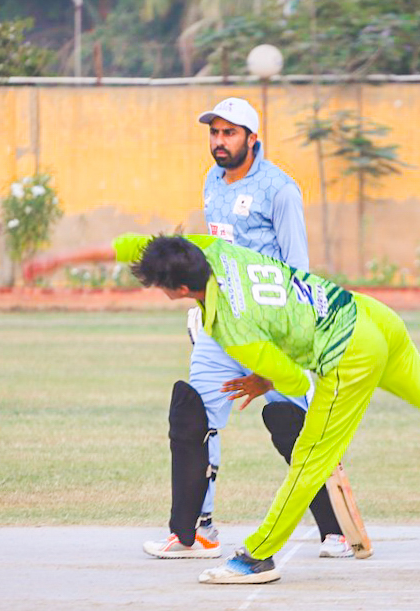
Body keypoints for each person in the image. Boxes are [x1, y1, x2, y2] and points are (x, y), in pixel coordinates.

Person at [107, 233, 420, 584]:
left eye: (160, 286)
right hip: (371, 315)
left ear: (182, 290)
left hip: (348, 354)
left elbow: (297, 381)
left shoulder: (231, 327)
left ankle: (258, 556)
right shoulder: (213, 249)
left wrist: (264, 380)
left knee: (309, 459)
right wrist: (93, 252)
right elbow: (145, 244)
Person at [24, 98, 353, 560]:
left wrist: (282, 353)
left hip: (274, 327)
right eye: (214, 133)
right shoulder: (212, 181)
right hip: (221, 324)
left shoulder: (281, 190)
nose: (219, 142)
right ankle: (195, 532)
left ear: (252, 138)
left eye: (229, 133)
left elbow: (298, 269)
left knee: (290, 426)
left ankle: (336, 531)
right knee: (193, 418)